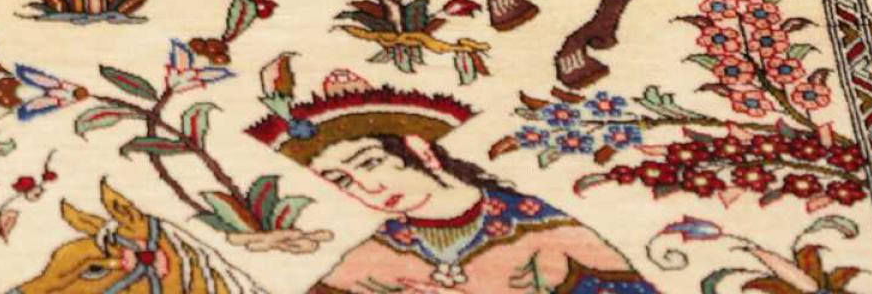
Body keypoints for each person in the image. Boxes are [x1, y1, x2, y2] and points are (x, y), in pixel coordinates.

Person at [249, 72, 657, 292]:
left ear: (420, 150)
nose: (366, 188)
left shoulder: (544, 232)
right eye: (342, 181)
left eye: (371, 163)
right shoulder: (375, 253)